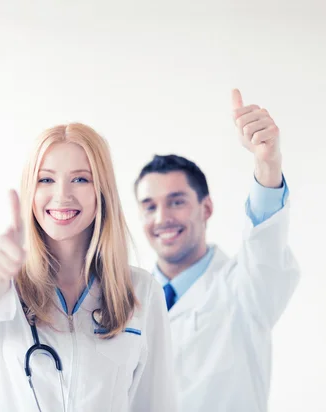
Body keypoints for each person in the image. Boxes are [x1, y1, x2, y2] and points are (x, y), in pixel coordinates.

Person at [0, 122, 177, 411]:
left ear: (103, 191)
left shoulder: (142, 291)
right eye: (46, 180)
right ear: (30, 191)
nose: (62, 195)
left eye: (81, 179)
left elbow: (156, 403)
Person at [133, 89, 300, 412]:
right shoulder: (126, 298)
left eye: (176, 202)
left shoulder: (245, 288)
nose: (162, 218)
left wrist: (268, 165)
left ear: (206, 208)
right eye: (149, 206)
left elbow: (265, 245)